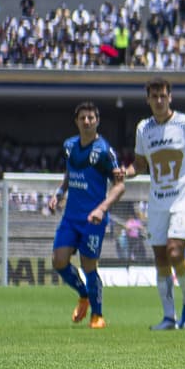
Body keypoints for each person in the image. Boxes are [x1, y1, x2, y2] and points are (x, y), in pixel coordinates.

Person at [127, 76, 185, 331]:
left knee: (175, 252)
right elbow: (140, 164)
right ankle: (169, 317)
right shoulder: (143, 129)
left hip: (183, 200)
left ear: (170, 97)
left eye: (163, 95)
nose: (159, 100)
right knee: (160, 260)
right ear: (148, 99)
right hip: (157, 203)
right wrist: (125, 172)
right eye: (154, 96)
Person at [48, 102, 125, 329]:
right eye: (82, 118)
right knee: (58, 261)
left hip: (93, 220)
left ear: (97, 121)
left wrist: (102, 208)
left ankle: (97, 315)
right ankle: (84, 295)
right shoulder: (69, 146)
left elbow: (120, 186)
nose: (87, 121)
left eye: (91, 117)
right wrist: (59, 194)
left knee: (88, 266)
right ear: (76, 121)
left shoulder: (104, 151)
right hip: (70, 218)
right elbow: (69, 174)